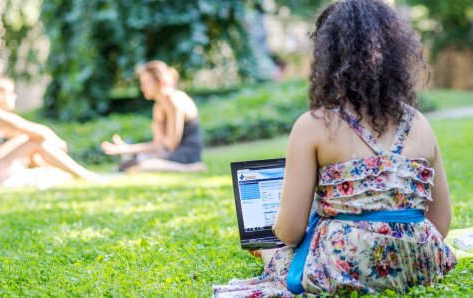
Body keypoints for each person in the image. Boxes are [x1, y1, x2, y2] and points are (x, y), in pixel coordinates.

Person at [213, 0, 456, 296]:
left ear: (327, 58)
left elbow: (290, 231)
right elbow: (440, 224)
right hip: (420, 264)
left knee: (274, 250)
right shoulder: (420, 123)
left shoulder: (314, 125)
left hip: (346, 265)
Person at [0, 76, 101, 184]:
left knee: (26, 139)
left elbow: (21, 136)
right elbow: (39, 131)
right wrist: (58, 143)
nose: (14, 97)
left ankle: (57, 171)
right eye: (11, 93)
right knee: (35, 143)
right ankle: (85, 175)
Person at [101, 60, 206, 172]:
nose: (142, 88)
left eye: (146, 83)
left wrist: (160, 140)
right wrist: (126, 149)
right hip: (169, 153)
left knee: (143, 165)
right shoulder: (158, 106)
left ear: (160, 81)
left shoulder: (175, 101)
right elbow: (157, 144)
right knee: (130, 163)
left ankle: (192, 168)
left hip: (185, 154)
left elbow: (171, 145)